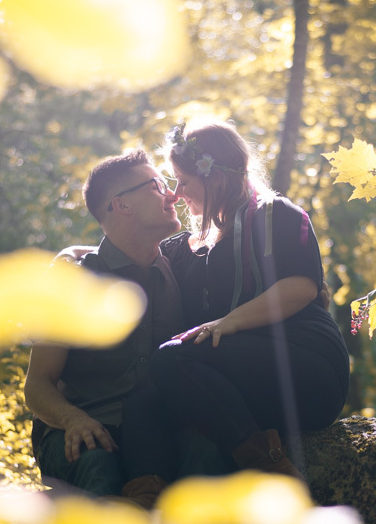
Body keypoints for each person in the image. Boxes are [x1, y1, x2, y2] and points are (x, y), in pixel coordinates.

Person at [149, 118, 350, 479]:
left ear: (216, 178)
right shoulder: (187, 248)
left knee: (170, 360)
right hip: (244, 383)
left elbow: (301, 286)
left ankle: (270, 465)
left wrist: (230, 322)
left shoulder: (277, 216)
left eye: (184, 181)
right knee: (155, 385)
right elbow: (141, 258)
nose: (177, 194)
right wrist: (81, 253)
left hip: (306, 366)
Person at [23, 148, 190, 508]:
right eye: (157, 185)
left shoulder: (180, 262)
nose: (173, 194)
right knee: (100, 468)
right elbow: (36, 386)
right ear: (122, 205)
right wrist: (73, 419)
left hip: (153, 428)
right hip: (78, 429)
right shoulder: (71, 284)